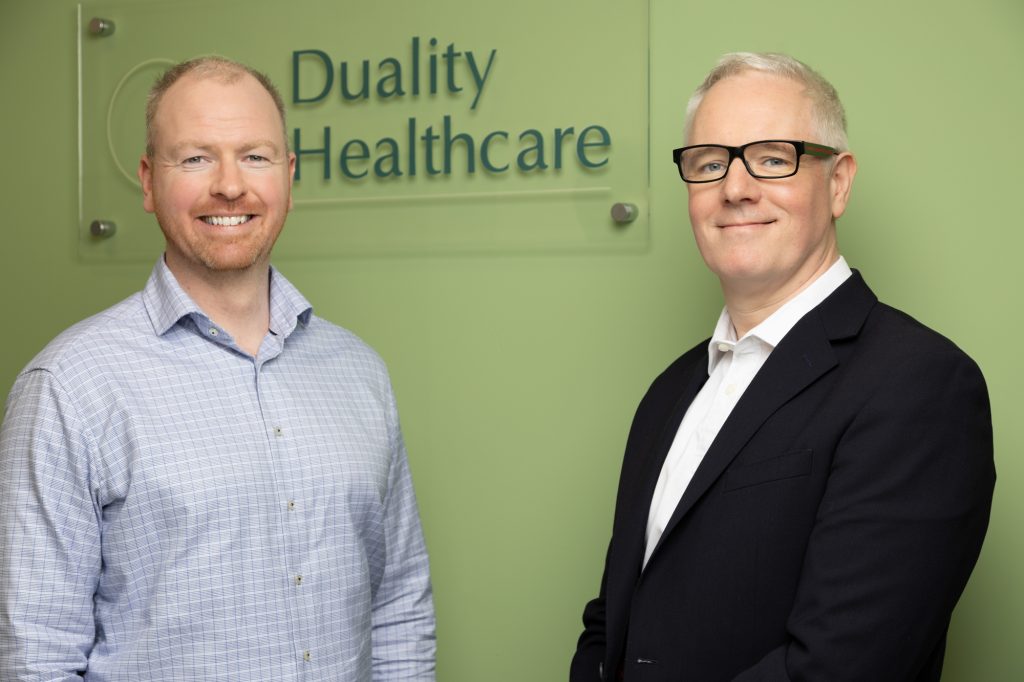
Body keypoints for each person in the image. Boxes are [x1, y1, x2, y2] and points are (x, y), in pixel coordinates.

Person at [0, 57, 435, 680]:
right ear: (148, 182)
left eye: (254, 156)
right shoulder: (70, 389)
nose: (230, 186)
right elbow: (35, 656)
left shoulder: (359, 373)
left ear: (288, 177)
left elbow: (399, 611)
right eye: (196, 158)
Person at [570, 52, 994, 682]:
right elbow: (613, 625)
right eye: (709, 163)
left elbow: (841, 666)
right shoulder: (669, 393)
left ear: (838, 182)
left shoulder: (919, 384)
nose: (735, 188)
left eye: (773, 159)